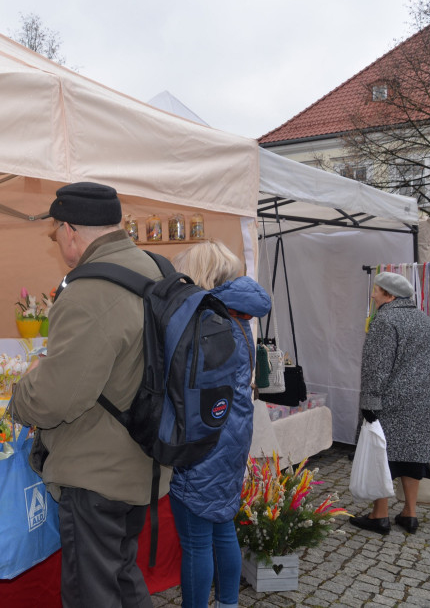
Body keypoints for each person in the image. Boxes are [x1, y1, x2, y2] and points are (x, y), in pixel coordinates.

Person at [10, 182, 165, 608]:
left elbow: (54, 399)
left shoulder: (91, 291)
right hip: (144, 458)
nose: (57, 241)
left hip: (97, 472)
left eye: (55, 232)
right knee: (121, 577)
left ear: (70, 230)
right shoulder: (155, 267)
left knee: (92, 593)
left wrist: (18, 395)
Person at [168, 240, 271, 608]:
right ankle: (228, 603)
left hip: (207, 439)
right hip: (232, 434)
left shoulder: (209, 320)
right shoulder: (237, 316)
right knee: (223, 525)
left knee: (196, 540)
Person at [349, 271, 430, 535]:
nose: (373, 295)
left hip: (389, 402)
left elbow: (375, 368)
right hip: (421, 401)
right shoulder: (427, 321)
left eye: (377, 291)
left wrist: (370, 401)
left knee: (382, 455)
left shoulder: (385, 321)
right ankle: (410, 514)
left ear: (390, 296)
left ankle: (379, 515)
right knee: (414, 456)